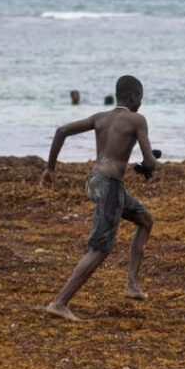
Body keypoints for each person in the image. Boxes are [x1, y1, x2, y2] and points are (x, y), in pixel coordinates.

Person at [39, 75, 159, 322]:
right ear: (135, 96)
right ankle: (59, 303)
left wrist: (49, 168)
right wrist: (152, 165)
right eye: (141, 98)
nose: (141, 103)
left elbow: (61, 131)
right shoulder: (138, 119)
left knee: (145, 220)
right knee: (100, 249)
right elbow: (149, 161)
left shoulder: (100, 118)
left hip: (95, 181)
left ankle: (132, 285)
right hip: (111, 187)